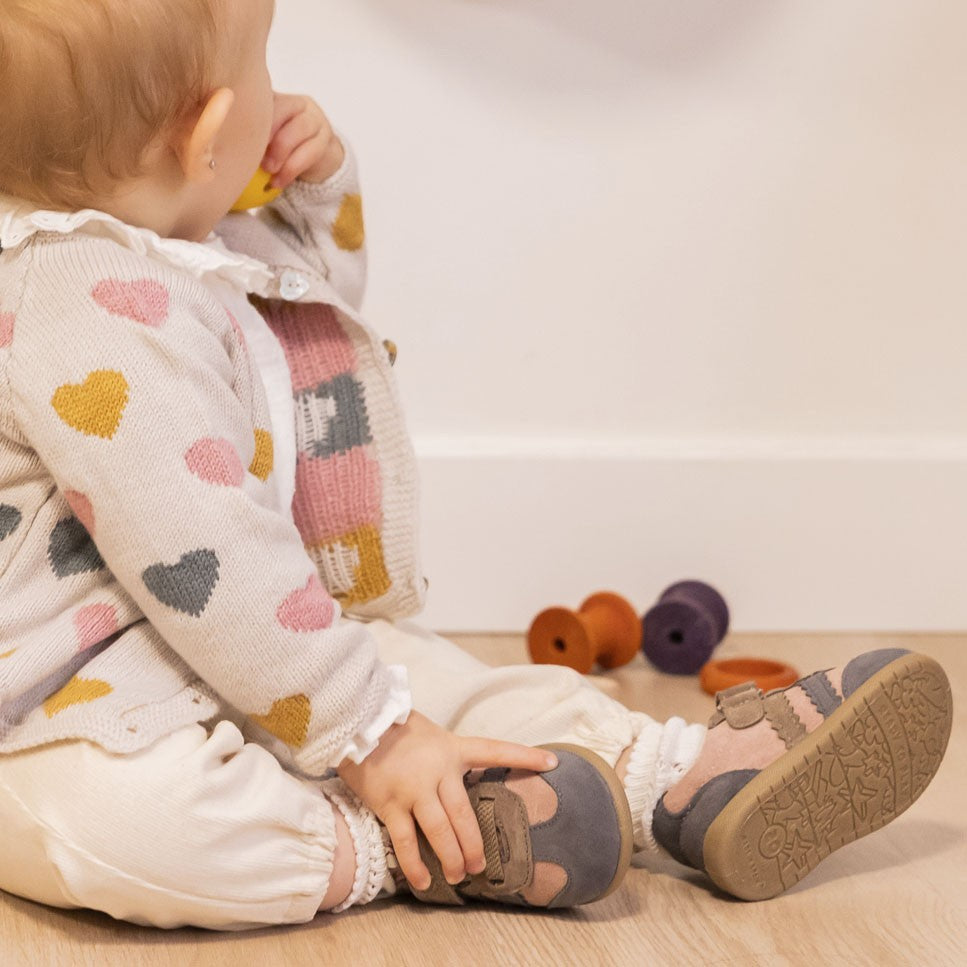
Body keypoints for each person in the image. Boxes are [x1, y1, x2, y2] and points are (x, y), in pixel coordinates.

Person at [0, 0, 951, 930]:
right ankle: (394, 840)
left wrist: (310, 191)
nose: (276, 91)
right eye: (261, 66)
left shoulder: (162, 243)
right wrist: (374, 740)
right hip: (59, 702)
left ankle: (671, 775)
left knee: (429, 680)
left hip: (245, 643)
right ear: (207, 136)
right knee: (124, 822)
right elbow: (207, 551)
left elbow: (308, 309)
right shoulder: (77, 309)